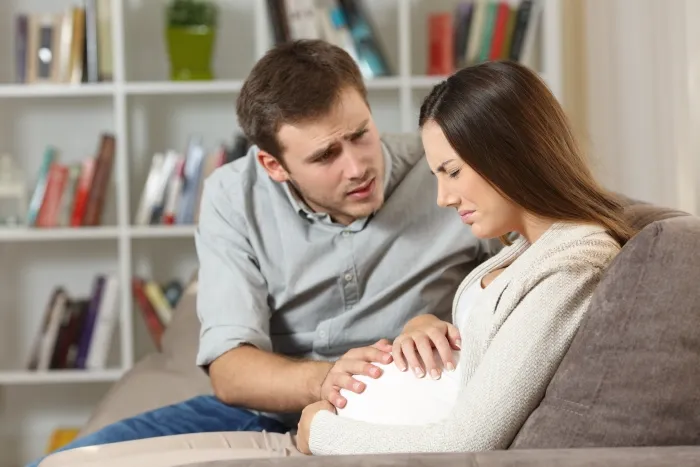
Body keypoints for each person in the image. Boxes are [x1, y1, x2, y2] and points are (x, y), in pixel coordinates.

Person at [30, 40, 499, 467]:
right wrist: (326, 378)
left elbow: (523, 274)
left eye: (360, 134)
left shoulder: (445, 170)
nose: (357, 167)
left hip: (391, 405)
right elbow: (231, 371)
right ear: (273, 165)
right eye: (324, 156)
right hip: (266, 409)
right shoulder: (233, 196)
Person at [293, 60, 637, 455]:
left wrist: (317, 430)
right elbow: (484, 348)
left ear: (511, 153)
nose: (443, 198)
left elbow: (468, 442)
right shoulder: (532, 246)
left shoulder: (575, 264)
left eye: (452, 172)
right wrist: (427, 325)